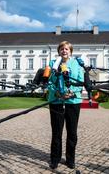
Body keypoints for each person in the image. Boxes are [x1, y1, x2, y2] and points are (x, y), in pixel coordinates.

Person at [47, 41, 84, 169]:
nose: (64, 51)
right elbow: (49, 82)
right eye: (62, 48)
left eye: (67, 49)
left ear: (70, 51)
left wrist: (71, 93)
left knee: (72, 132)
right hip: (56, 101)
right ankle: (55, 159)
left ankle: (70, 159)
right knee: (56, 132)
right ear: (59, 51)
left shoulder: (77, 64)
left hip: (73, 102)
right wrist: (57, 93)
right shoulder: (53, 64)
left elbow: (80, 82)